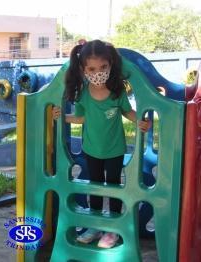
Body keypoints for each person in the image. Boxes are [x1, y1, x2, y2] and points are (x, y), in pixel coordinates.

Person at [52, 39, 151, 248]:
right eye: (92, 68)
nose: (98, 72)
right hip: (92, 149)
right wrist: (62, 117)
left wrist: (140, 121)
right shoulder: (84, 93)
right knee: (96, 187)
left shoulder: (116, 91)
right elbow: (81, 118)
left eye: (103, 67)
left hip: (114, 149)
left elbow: (127, 111)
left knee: (113, 186)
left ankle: (113, 229)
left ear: (111, 65)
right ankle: (95, 226)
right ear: (84, 69)